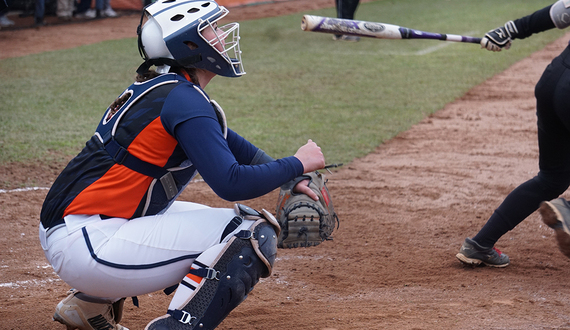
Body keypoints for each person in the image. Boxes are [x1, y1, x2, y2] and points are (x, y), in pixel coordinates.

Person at [38, 0, 326, 329]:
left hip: (78, 231)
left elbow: (230, 142)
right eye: (210, 29)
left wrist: (292, 175)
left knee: (227, 224)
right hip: (88, 245)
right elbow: (231, 183)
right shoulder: (184, 99)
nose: (221, 35)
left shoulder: (167, 90)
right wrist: (296, 163)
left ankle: (87, 306)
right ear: (188, 44)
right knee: (250, 233)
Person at [456, 0, 570, 268]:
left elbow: (562, 11)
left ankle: (480, 244)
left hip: (553, 80)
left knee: (551, 179)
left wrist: (510, 29)